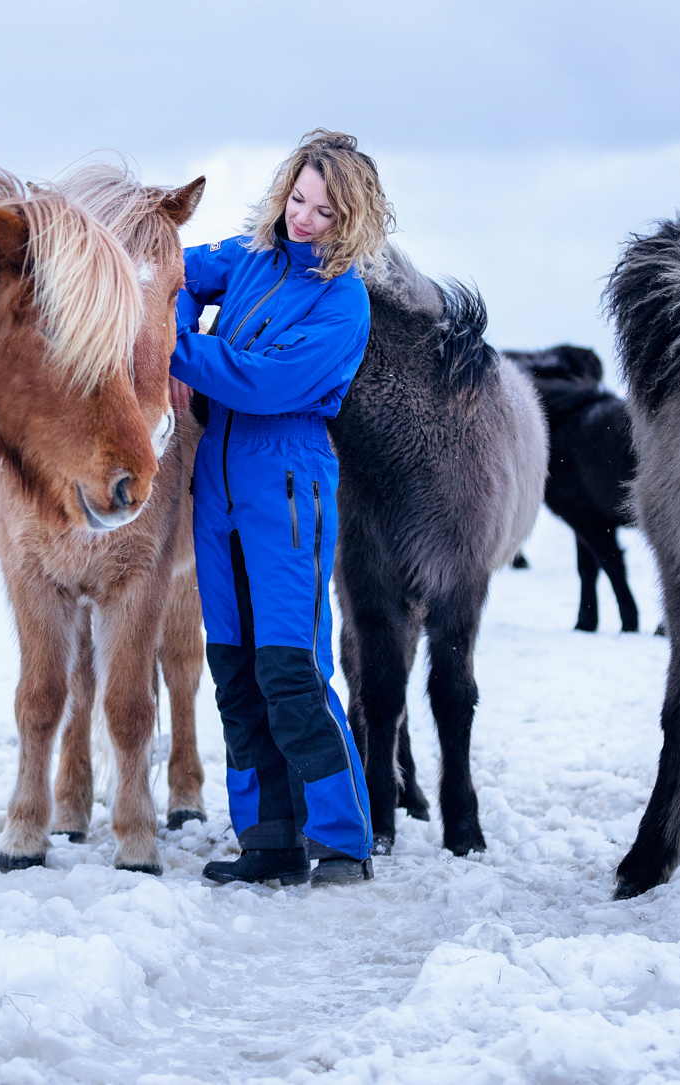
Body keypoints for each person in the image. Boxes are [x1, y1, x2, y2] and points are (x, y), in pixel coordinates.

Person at [169, 129, 394, 886]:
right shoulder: (249, 258)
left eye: (324, 210)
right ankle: (268, 836)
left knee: (291, 669)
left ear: (351, 219)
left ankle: (342, 838)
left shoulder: (343, 302)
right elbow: (175, 273)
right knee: (232, 667)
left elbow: (261, 381)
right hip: (218, 484)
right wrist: (167, 314)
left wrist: (170, 349)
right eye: (298, 199)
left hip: (289, 484)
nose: (303, 218)